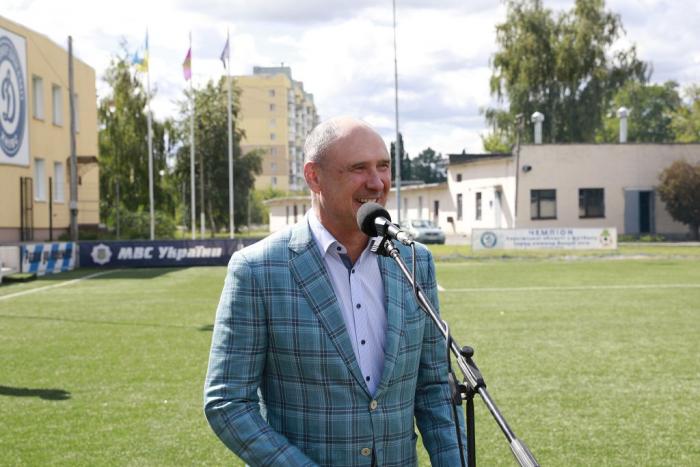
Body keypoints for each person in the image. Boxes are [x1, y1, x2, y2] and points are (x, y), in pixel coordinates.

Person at [204, 117, 465, 466]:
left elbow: (435, 388)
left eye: (383, 166)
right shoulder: (257, 269)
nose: (377, 183)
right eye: (359, 168)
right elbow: (228, 402)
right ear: (314, 176)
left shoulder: (415, 261)